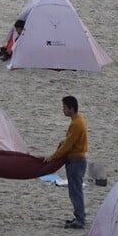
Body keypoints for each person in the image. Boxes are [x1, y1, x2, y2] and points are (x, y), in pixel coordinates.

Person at [49, 94, 89, 228]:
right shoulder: (79, 120)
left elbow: (68, 145)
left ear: (71, 108)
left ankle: (80, 219)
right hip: (78, 160)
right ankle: (79, 216)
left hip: (76, 161)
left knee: (75, 191)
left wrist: (52, 157)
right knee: (75, 190)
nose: (63, 110)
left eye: (64, 107)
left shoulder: (76, 124)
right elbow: (70, 141)